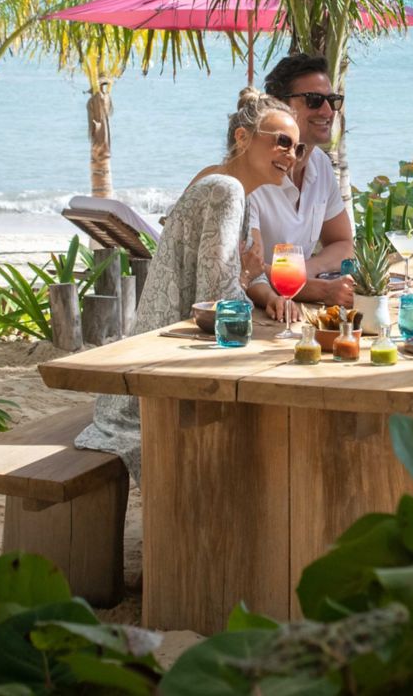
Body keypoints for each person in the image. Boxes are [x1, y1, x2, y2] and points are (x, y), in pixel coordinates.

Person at [75, 89, 301, 480]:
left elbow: (231, 276)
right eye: (282, 141)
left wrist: (263, 291)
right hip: (158, 384)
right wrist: (247, 282)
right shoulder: (226, 190)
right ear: (242, 138)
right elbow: (217, 300)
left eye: (297, 147)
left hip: (159, 363)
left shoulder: (231, 189)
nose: (291, 155)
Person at [245, 53, 355, 311]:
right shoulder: (251, 174)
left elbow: (343, 243)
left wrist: (305, 270)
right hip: (255, 311)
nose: (327, 111)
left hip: (296, 309)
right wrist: (323, 290)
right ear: (278, 105)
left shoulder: (320, 164)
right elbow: (249, 268)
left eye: (332, 100)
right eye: (314, 100)